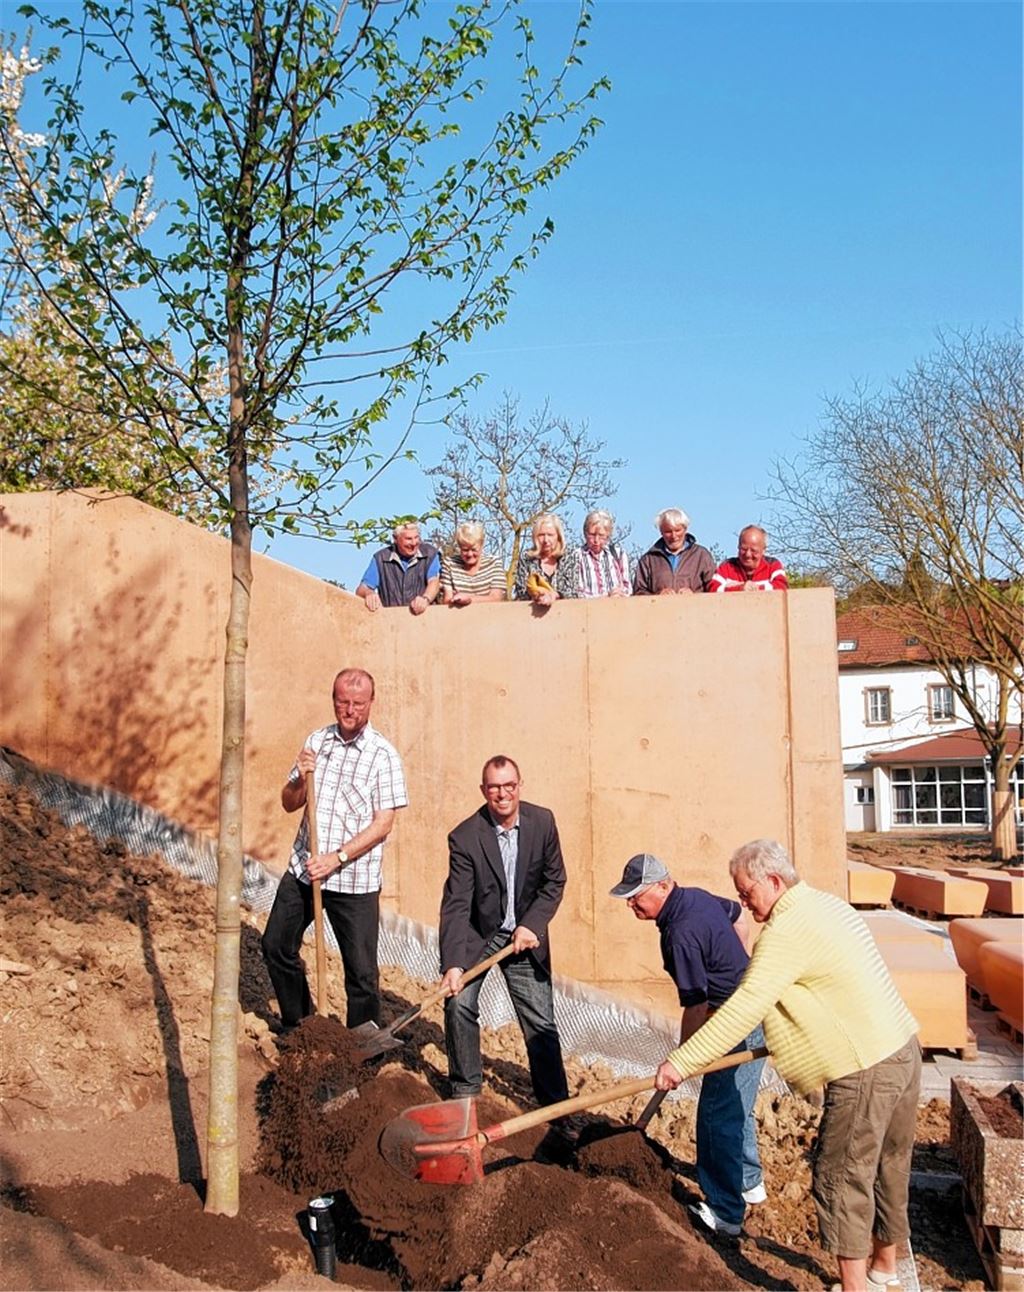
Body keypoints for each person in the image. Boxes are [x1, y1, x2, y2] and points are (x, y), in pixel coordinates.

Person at [654, 839, 920, 1292]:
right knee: (887, 1167)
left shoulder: (785, 931)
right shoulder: (827, 906)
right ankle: (885, 1270)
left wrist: (681, 1061)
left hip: (864, 1070)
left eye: (746, 891)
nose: (742, 901)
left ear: (774, 882)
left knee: (840, 1178)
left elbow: (742, 1008)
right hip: (902, 1049)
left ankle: (855, 1289)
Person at [611, 853, 766, 1236]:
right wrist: (740, 970)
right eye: (628, 897)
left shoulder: (680, 933)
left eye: (637, 896)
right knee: (738, 1106)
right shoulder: (696, 896)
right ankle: (749, 1184)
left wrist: (683, 1058)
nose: (631, 904)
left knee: (717, 1115)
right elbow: (737, 918)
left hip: (731, 1023)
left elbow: (696, 1004)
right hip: (753, 1009)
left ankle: (726, 1213)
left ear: (663, 885)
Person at [262, 668, 408, 1029]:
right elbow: (289, 801)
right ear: (334, 701)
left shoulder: (382, 756)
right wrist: (299, 775)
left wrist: (336, 858)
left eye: (358, 703)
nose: (350, 710)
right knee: (276, 946)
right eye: (343, 702)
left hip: (353, 881)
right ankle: (303, 1028)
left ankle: (363, 1052)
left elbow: (383, 823)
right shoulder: (317, 742)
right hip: (304, 869)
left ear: (371, 703)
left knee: (361, 974)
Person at [439, 755, 573, 1134]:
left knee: (540, 1021)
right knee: (459, 1003)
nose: (502, 793)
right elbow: (457, 903)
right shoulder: (465, 837)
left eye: (509, 785)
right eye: (494, 787)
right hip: (480, 935)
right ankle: (465, 1094)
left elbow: (554, 881)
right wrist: (453, 964)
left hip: (525, 936)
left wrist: (532, 924)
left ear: (519, 786)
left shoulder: (542, 822)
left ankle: (556, 1109)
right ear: (484, 791)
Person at [356, 522, 440, 614]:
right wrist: (369, 594)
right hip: (391, 619)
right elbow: (362, 589)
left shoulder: (430, 554)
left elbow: (434, 581)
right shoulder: (381, 558)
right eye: (408, 539)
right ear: (395, 539)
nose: (414, 543)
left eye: (416, 538)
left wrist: (425, 599)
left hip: (423, 619)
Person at [633, 507, 715, 595]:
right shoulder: (648, 560)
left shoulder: (701, 555)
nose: (673, 536)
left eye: (677, 530)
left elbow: (714, 588)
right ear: (661, 532)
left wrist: (694, 595)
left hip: (695, 608)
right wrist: (658, 595)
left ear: (685, 529)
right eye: (668, 532)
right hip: (659, 608)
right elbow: (638, 591)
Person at [513, 513, 580, 604]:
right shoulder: (527, 558)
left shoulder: (570, 556)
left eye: (550, 535)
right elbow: (521, 592)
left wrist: (554, 595)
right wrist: (539, 594)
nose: (545, 540)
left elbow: (573, 591)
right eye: (541, 535)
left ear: (558, 537)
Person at [440, 521, 507, 606]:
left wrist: (469, 599)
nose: (470, 554)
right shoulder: (449, 564)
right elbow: (447, 600)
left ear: (482, 545)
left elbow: (496, 598)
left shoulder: (494, 563)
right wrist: (455, 600)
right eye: (465, 550)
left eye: (474, 549)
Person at [709, 525, 789, 593]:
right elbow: (713, 589)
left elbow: (782, 588)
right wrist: (740, 588)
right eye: (743, 549)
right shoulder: (727, 566)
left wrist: (754, 588)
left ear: (763, 550)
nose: (748, 554)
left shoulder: (773, 565)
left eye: (753, 550)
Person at [576, 508, 632, 598]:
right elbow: (577, 592)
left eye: (601, 535)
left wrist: (619, 593)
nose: (596, 540)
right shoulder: (577, 556)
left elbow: (628, 587)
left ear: (608, 535)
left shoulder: (619, 554)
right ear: (585, 533)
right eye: (592, 534)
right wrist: (603, 597)